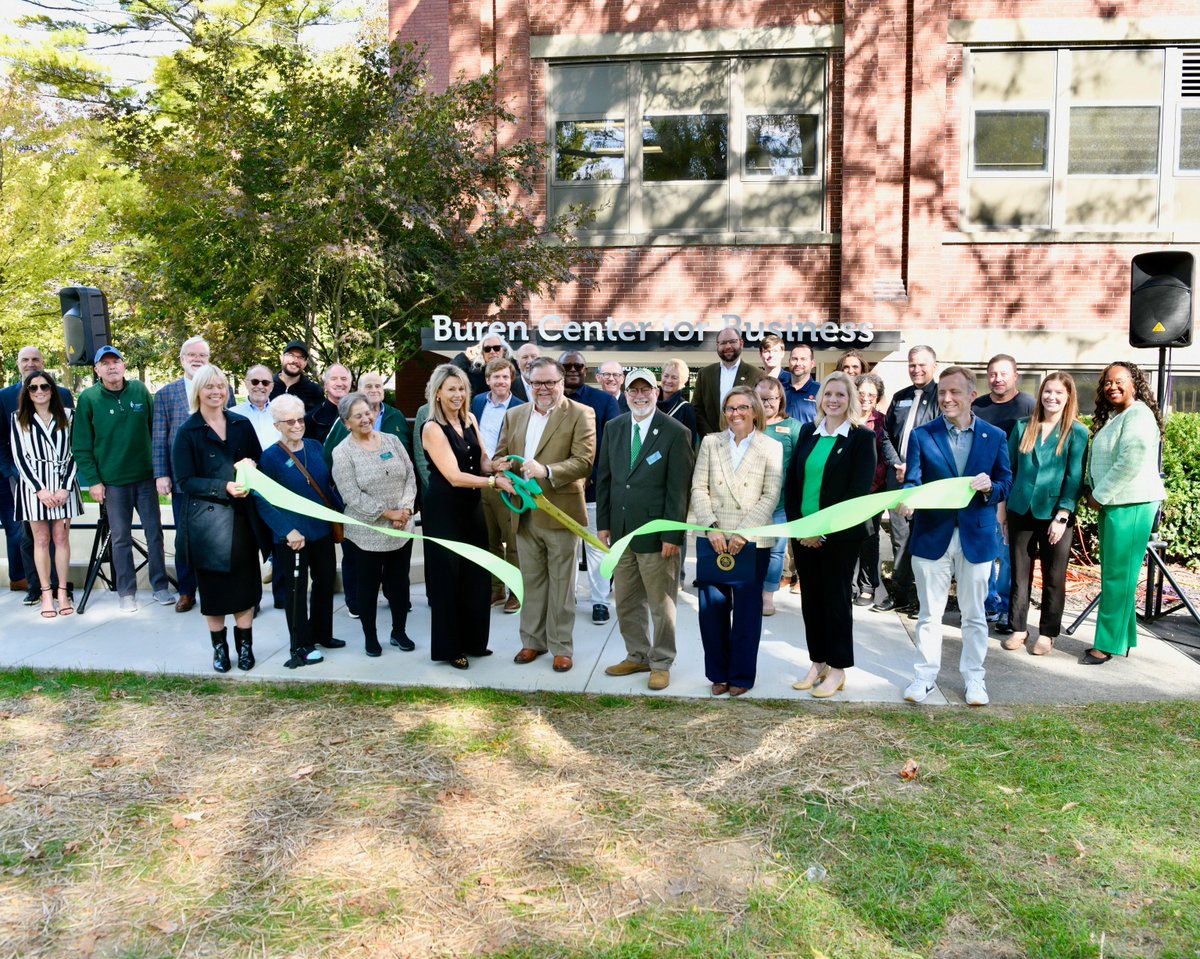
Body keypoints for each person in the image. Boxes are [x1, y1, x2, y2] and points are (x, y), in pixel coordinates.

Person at [900, 366, 1013, 707]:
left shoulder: (994, 436)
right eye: (942, 393)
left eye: (954, 392)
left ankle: (974, 679)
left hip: (976, 538)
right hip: (932, 536)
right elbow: (913, 481)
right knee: (929, 615)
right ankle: (924, 678)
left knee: (975, 615)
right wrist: (908, 498)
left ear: (970, 395)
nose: (947, 399)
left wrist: (991, 488)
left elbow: (1006, 482)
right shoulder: (922, 435)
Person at [493, 357, 596, 673]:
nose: (544, 388)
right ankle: (532, 642)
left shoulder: (580, 414)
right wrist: (503, 474)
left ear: (562, 382)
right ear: (528, 383)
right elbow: (501, 456)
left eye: (550, 382)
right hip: (523, 515)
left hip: (561, 512)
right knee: (532, 582)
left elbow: (584, 461)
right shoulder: (514, 415)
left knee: (562, 586)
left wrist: (547, 470)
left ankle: (561, 647)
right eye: (537, 382)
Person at [597, 369, 694, 691]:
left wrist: (672, 535)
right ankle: (637, 654)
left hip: (657, 534)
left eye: (646, 390)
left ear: (656, 393)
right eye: (633, 390)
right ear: (625, 394)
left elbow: (678, 490)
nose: (640, 396)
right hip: (622, 533)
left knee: (661, 605)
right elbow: (606, 479)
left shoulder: (675, 432)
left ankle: (662, 661)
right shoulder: (614, 427)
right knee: (625, 600)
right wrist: (604, 524)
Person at [784, 373, 877, 699]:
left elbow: (857, 492)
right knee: (811, 602)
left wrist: (822, 531)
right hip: (804, 535)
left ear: (850, 399)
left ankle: (838, 669)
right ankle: (818, 662)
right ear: (820, 399)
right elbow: (792, 484)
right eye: (828, 394)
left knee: (836, 602)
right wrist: (801, 529)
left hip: (838, 538)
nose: (833, 400)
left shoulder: (861, 439)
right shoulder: (809, 432)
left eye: (840, 394)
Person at [422, 365, 517, 669]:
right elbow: (454, 476)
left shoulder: (470, 419)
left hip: (471, 508)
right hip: (444, 511)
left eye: (462, 388)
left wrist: (498, 466)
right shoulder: (432, 428)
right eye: (451, 389)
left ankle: (475, 642)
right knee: (449, 579)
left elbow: (482, 461)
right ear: (438, 392)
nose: (458, 395)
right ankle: (451, 648)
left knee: (477, 575)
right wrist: (492, 482)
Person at [690, 385, 783, 697]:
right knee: (712, 611)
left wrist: (743, 533)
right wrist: (712, 528)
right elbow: (698, 488)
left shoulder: (771, 447)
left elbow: (770, 495)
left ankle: (741, 676)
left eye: (742, 407)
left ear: (755, 410)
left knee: (746, 614)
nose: (735, 414)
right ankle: (717, 673)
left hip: (752, 541)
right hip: (714, 538)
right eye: (730, 408)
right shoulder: (710, 442)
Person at [171, 365, 265, 673]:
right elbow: (184, 481)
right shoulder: (188, 432)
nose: (216, 392)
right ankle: (220, 649)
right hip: (207, 526)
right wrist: (222, 486)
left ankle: (245, 646)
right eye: (209, 387)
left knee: (245, 589)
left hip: (242, 521)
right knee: (213, 593)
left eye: (220, 386)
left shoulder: (241, 424)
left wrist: (251, 465)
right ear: (198, 391)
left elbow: (259, 462)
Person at [74, 347, 176, 613]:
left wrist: (160, 471)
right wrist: (94, 481)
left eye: (116, 362)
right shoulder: (88, 398)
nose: (111, 367)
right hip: (113, 483)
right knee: (120, 538)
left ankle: (160, 586)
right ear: (96, 370)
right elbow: (82, 446)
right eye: (105, 363)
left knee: (154, 534)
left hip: (145, 479)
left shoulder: (140, 391)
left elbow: (157, 432)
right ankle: (126, 592)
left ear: (123, 365)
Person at [1081, 361, 1166, 665]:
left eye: (1119, 381)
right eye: (1107, 382)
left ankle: (1106, 644)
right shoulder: (1121, 416)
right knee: (1119, 574)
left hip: (1130, 503)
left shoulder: (1139, 415)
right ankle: (1124, 637)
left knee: (1118, 577)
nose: (1112, 387)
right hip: (1117, 503)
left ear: (1135, 383)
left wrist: (1099, 496)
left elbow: (1130, 462)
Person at [254, 394, 346, 668]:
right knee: (296, 590)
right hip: (293, 537)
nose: (297, 425)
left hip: (321, 531)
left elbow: (327, 486)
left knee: (325, 581)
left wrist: (341, 515)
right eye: (289, 421)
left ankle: (322, 633)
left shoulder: (316, 447)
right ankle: (301, 645)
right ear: (277, 425)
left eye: (300, 418)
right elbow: (262, 498)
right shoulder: (270, 457)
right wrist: (286, 530)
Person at [1002, 373, 1088, 656]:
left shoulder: (1077, 432)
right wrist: (1003, 512)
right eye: (1047, 391)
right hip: (1020, 510)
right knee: (1019, 574)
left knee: (1054, 576)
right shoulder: (1022, 427)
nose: (1052, 397)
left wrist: (1062, 515)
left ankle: (1048, 633)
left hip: (1055, 514)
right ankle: (1018, 628)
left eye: (1058, 393)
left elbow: (1074, 478)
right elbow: (1009, 471)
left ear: (1068, 397)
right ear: (1040, 395)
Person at [331, 392, 417, 658]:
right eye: (358, 416)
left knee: (400, 584)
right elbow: (351, 495)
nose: (366, 418)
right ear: (346, 423)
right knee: (368, 588)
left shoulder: (392, 440)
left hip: (402, 531)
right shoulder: (342, 452)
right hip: (366, 535)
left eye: (368, 412)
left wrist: (405, 509)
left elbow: (410, 475)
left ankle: (399, 631)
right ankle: (371, 637)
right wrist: (387, 514)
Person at [153, 336, 231, 613]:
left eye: (203, 356)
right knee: (184, 536)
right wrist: (161, 474)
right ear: (182, 359)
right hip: (182, 479)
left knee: (217, 535)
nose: (197, 359)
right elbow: (160, 436)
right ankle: (187, 591)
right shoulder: (165, 394)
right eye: (192, 355)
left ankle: (218, 589)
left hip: (216, 478)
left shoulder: (223, 390)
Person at [0, 346, 75, 604]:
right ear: (18, 364)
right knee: (28, 535)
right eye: (25, 360)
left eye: (35, 359)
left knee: (59, 536)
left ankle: (60, 587)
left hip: (60, 481)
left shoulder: (64, 398)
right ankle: (35, 587)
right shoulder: (5, 399)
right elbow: (4, 443)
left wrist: (63, 485)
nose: (30, 363)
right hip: (22, 479)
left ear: (43, 363)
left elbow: (72, 444)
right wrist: (18, 476)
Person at [972, 354, 1037, 634]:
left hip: (1013, 491)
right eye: (992, 374)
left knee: (1009, 554)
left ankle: (1007, 605)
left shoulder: (1029, 406)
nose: (997, 379)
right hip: (980, 492)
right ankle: (988, 603)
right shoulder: (978, 406)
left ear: (1015, 375)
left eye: (1003, 374)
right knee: (985, 550)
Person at [875, 345, 939, 615]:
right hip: (898, 477)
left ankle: (923, 601)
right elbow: (886, 434)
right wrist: (897, 463)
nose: (917, 369)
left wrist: (913, 467)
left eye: (922, 364)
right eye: (912, 364)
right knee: (900, 539)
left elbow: (939, 440)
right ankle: (900, 595)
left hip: (925, 482)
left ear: (934, 366)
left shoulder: (941, 398)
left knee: (924, 540)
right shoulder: (900, 397)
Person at [560, 349, 619, 625]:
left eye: (578, 366)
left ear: (586, 371)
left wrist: (588, 475)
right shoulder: (551, 402)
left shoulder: (604, 401)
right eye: (567, 365)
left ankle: (599, 602)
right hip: (557, 490)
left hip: (593, 489)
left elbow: (612, 445)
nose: (572, 369)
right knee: (564, 548)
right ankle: (566, 599)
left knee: (596, 548)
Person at [471, 357, 526, 613]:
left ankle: (516, 592)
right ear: (488, 380)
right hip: (483, 478)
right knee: (489, 538)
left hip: (508, 479)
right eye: (496, 377)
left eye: (505, 377)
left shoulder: (522, 407)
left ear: (511, 379)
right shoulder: (478, 403)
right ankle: (496, 589)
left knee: (512, 540)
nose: (500, 381)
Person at [755, 377, 801, 616]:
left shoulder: (792, 428)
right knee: (749, 549)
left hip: (780, 504)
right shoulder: (746, 424)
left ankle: (767, 595)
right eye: (761, 398)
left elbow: (799, 467)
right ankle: (749, 591)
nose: (766, 404)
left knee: (776, 552)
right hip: (749, 503)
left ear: (780, 399)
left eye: (771, 398)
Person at [853, 372, 895, 606]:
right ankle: (849, 584)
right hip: (846, 493)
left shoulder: (882, 421)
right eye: (862, 394)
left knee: (869, 538)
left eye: (871, 394)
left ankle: (867, 587)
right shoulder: (845, 419)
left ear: (878, 397)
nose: (866, 398)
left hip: (873, 492)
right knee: (846, 537)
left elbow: (887, 455)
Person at [693, 326, 766, 437]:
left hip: (745, 440)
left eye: (732, 342)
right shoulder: (705, 374)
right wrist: (710, 435)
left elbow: (760, 409)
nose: (728, 346)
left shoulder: (756, 375)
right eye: (723, 343)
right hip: (713, 440)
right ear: (717, 346)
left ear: (741, 343)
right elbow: (697, 408)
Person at [451, 332, 519, 399]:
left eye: (496, 348)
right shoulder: (475, 373)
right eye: (487, 349)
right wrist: (465, 356)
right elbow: (448, 372)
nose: (492, 352)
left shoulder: (513, 368)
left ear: (503, 350)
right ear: (482, 353)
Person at [232, 364, 281, 450]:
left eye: (265, 383)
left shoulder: (282, 413)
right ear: (246, 384)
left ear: (272, 387)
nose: (260, 386)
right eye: (255, 381)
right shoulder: (232, 414)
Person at [270, 340, 324, 412]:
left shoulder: (315, 391)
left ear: (305, 363)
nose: (295, 360)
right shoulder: (266, 385)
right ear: (281, 358)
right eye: (291, 355)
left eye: (301, 357)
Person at [304, 364, 353, 444]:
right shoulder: (311, 418)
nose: (339, 383)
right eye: (333, 379)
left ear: (350, 384)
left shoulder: (361, 414)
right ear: (325, 385)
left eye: (344, 379)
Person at [658, 358, 698, 444]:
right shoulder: (651, 404)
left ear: (683, 381)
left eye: (674, 377)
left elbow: (689, 443)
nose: (669, 380)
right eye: (666, 376)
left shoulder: (686, 409)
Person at [782, 344, 819, 424]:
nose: (798, 363)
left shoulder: (821, 391)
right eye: (794, 359)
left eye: (803, 359)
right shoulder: (779, 389)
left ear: (812, 363)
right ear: (789, 362)